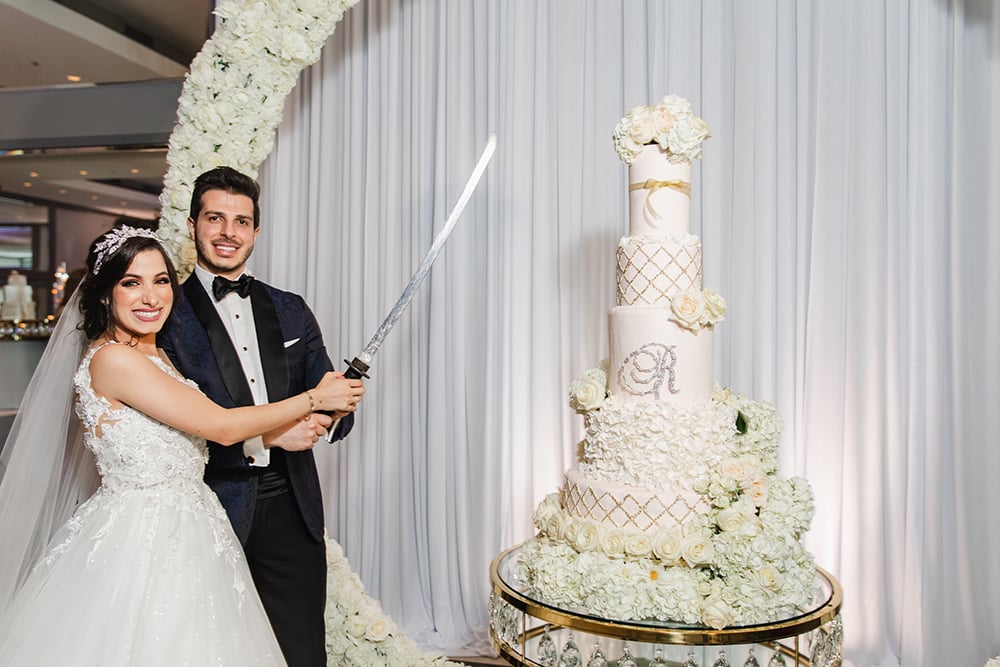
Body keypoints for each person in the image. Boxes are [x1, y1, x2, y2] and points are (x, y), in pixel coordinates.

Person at [0, 227, 362, 664]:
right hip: (144, 541)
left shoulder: (156, 354)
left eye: (160, 280)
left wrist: (274, 433)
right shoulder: (114, 360)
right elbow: (222, 426)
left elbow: (187, 430)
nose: (150, 296)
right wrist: (313, 398)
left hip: (195, 530)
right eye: (131, 283)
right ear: (103, 295)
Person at [157, 166, 363, 666]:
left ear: (255, 231)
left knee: (301, 652)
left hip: (293, 508)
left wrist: (326, 418)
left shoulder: (291, 309)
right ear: (191, 225)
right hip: (210, 510)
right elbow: (171, 427)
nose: (229, 232)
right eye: (215, 218)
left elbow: (329, 393)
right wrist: (271, 437)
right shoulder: (164, 313)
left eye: (241, 221)